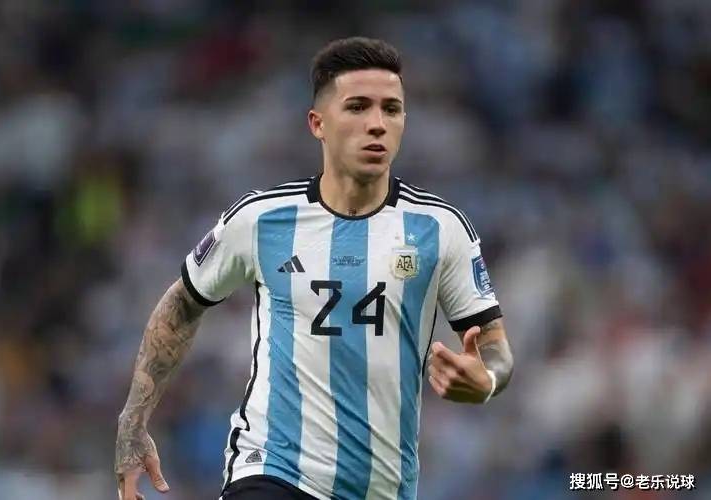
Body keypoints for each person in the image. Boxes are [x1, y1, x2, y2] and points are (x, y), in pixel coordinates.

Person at [115, 36, 514, 500]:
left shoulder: (440, 228)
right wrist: (132, 422)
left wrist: (487, 380)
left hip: (381, 487)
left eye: (391, 109)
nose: (377, 124)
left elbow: (495, 348)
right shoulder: (262, 219)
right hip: (273, 470)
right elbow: (184, 302)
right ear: (317, 124)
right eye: (358, 107)